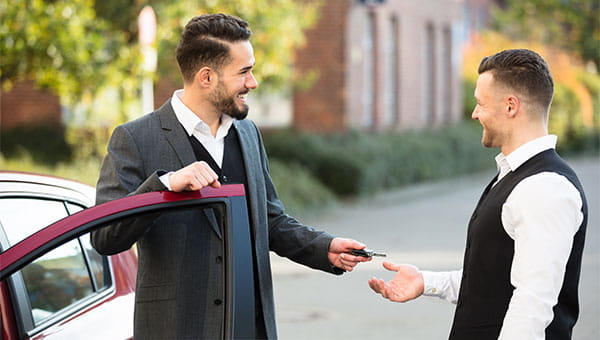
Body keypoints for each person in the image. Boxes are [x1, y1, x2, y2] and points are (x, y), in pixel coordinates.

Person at [92, 13, 371, 340]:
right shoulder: (135, 139)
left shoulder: (248, 133)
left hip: (249, 328)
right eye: (244, 72)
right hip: (178, 329)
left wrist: (324, 247)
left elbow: (270, 220)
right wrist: (164, 186)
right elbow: (105, 237)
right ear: (206, 77)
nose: (253, 83)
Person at [368, 49, 588, 340]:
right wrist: (425, 281)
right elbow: (495, 281)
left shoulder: (544, 187)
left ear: (511, 106)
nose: (474, 114)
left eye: (480, 104)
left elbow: (532, 304)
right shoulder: (515, 176)